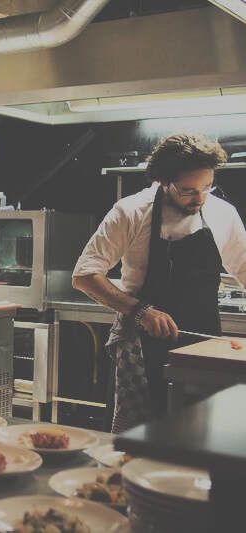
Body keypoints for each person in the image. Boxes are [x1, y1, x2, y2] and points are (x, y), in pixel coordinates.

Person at [72, 133, 246, 432]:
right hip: (143, 343)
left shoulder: (222, 213)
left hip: (203, 344)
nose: (199, 198)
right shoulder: (131, 211)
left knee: (200, 436)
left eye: (207, 187)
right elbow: (84, 276)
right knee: (140, 438)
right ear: (164, 181)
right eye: (188, 191)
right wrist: (140, 310)